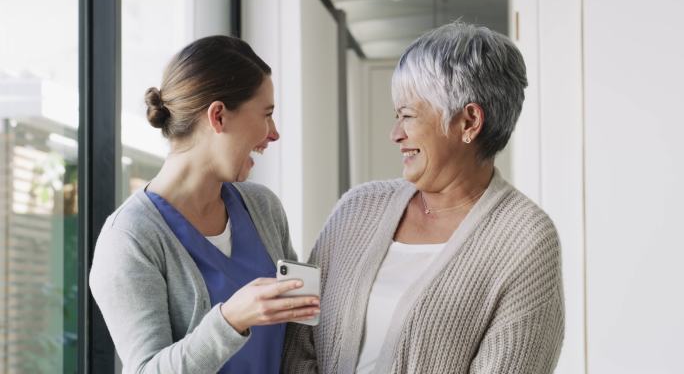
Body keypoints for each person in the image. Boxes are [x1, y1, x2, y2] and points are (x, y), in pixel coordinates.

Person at [282, 21, 564, 373]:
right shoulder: (355, 208)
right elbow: (297, 336)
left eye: (408, 116)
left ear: (469, 122)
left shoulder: (525, 238)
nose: (395, 133)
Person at [90, 35, 320, 374]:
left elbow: (300, 331)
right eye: (266, 115)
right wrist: (231, 320)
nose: (274, 133)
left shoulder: (264, 208)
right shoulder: (129, 238)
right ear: (218, 117)